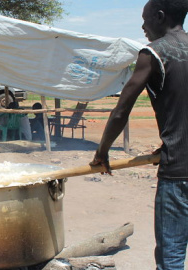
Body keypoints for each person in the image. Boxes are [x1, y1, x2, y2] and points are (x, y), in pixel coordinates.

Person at [90, 1, 188, 269]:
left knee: (171, 256)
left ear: (159, 16)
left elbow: (121, 111)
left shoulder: (153, 53)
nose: (142, 27)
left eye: (145, 19)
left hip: (179, 173)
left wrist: (102, 153)